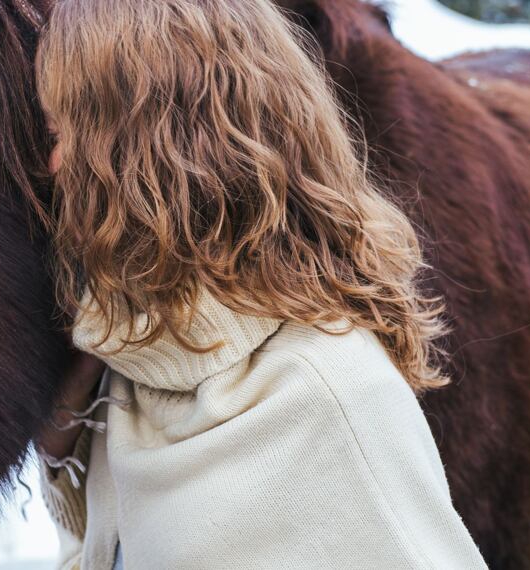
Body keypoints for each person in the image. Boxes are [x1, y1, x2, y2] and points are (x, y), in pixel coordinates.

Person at [34, 0, 487, 568]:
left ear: (151, 150)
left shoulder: (326, 397)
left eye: (57, 131)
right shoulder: (132, 370)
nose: (47, 165)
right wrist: (65, 459)